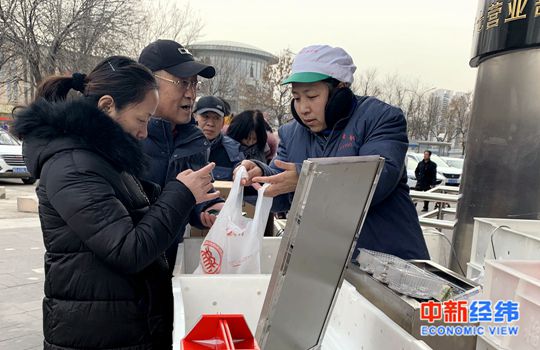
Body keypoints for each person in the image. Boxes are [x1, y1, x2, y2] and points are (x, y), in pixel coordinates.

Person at [12, 56, 218, 350]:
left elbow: (136, 218)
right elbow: (127, 249)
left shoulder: (103, 158)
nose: (144, 132)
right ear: (107, 106)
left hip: (121, 324)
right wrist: (180, 194)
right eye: (141, 119)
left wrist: (187, 201)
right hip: (96, 333)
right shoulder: (72, 166)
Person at [235, 45, 429, 260]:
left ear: (340, 90)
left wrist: (306, 178)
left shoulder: (380, 118)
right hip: (326, 264)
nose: (303, 108)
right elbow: (282, 194)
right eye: (297, 98)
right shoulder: (291, 134)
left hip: (388, 259)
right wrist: (256, 178)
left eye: (312, 96)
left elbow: (376, 182)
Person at [138, 40, 224, 269]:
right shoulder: (128, 137)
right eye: (182, 83)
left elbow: (201, 195)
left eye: (194, 84)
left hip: (169, 266)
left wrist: (209, 209)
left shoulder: (195, 141)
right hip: (127, 271)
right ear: (148, 83)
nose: (191, 94)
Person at [194, 95, 244, 180]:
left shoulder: (234, 150)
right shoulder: (180, 145)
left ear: (223, 122)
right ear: (195, 117)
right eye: (205, 117)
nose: (211, 123)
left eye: (216, 118)